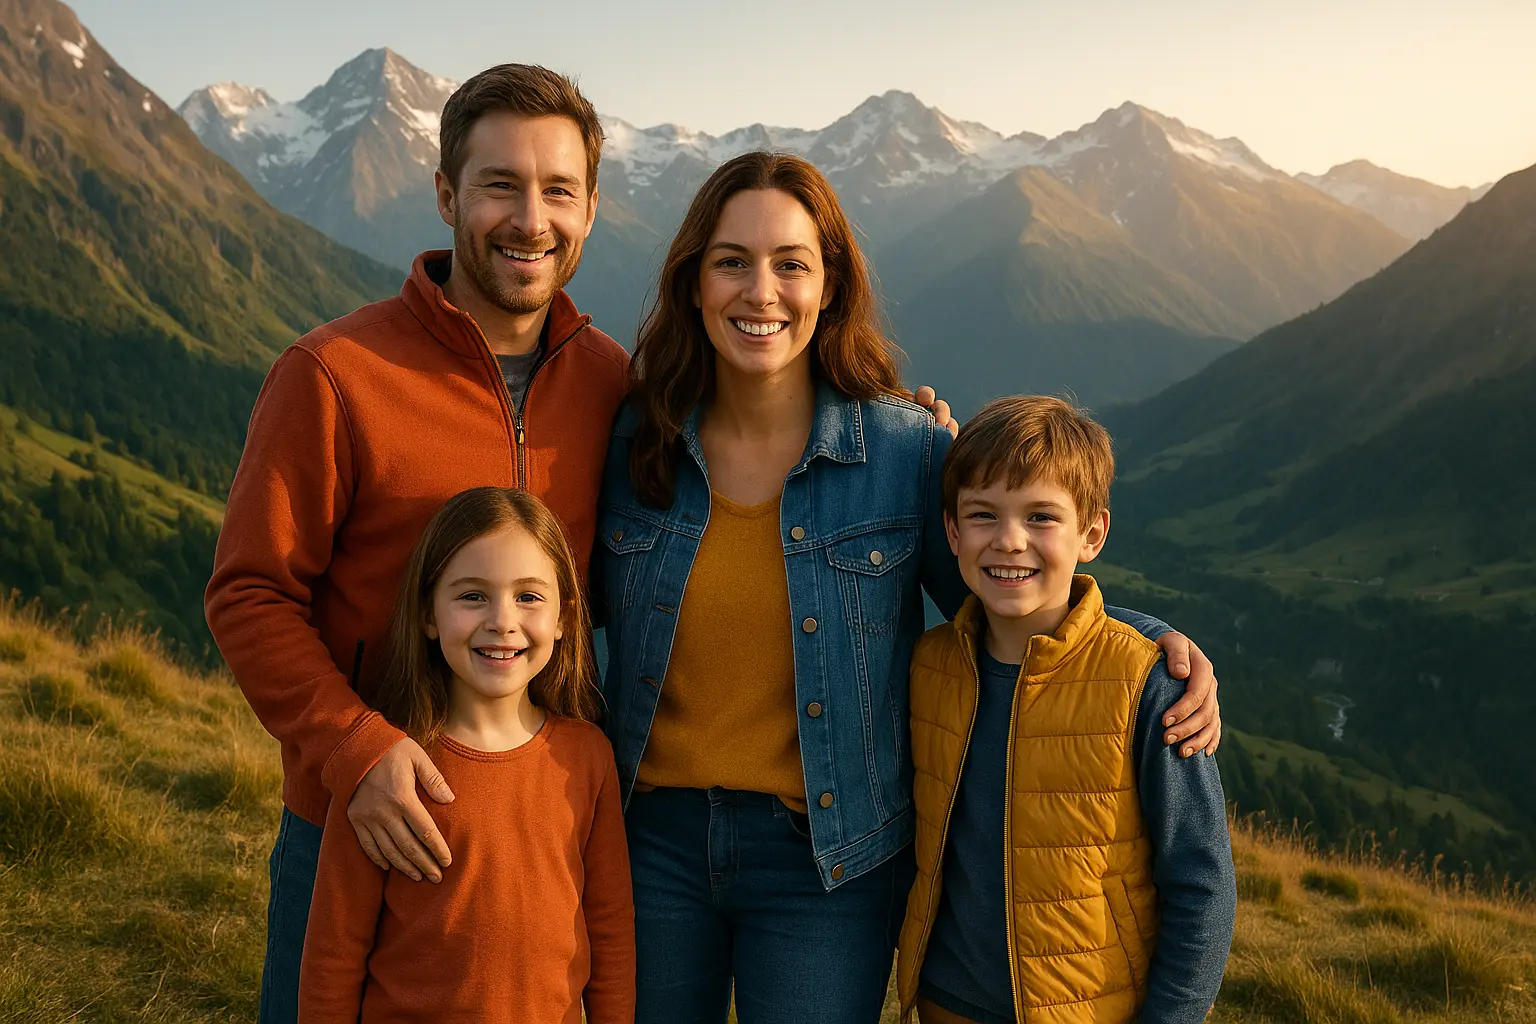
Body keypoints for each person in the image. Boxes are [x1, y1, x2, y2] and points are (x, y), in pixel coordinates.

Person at [594, 152, 1223, 1024]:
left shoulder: (906, 451)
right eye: (731, 261)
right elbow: (550, 603)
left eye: (791, 264)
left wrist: (1148, 646)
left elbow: (1004, 595)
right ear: (694, 281)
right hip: (648, 839)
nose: (761, 291)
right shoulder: (632, 442)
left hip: (829, 854)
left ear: (830, 285)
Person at [204, 64, 631, 1023]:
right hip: (353, 819)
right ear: (446, 194)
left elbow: (732, 465)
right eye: (500, 185)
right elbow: (248, 592)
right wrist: (354, 748)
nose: (531, 219)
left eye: (559, 190)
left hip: (539, 823)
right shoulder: (333, 373)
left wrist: (898, 430)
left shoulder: (612, 382)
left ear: (591, 208)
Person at [896, 396, 1237, 1024]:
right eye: (982, 514)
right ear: (951, 531)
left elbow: (1200, 881)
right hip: (946, 1002)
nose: (1009, 540)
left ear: (1092, 534)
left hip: (1089, 1009)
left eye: (1041, 516)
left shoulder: (1149, 686)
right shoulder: (928, 667)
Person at [297, 486, 634, 1024]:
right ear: (428, 614)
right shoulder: (387, 771)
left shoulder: (588, 758)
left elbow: (610, 930)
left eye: (529, 596)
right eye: (473, 596)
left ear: (565, 618)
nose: (502, 620)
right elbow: (334, 954)